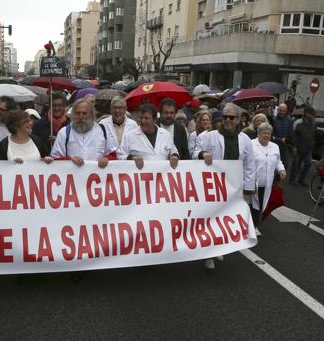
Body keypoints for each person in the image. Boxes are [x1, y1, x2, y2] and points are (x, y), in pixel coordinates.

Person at [194, 103, 256, 270]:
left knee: (225, 220)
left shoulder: (245, 140)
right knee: (211, 219)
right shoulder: (209, 136)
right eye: (225, 117)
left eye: (232, 117)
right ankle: (208, 255)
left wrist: (248, 189)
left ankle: (218, 248)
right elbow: (194, 152)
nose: (227, 120)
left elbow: (250, 165)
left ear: (238, 120)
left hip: (233, 188)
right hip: (212, 187)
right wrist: (202, 154)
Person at [50, 98, 116, 168]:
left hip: (97, 177)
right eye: (78, 113)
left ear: (91, 114)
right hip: (73, 176)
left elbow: (112, 154)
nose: (81, 117)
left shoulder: (103, 131)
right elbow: (55, 158)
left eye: (84, 113)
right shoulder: (64, 133)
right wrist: (70, 160)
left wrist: (107, 159)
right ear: (73, 114)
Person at [118, 104, 179, 169]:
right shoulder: (129, 136)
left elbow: (174, 151)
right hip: (139, 176)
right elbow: (120, 155)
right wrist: (131, 157)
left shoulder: (166, 135)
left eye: (146, 118)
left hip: (162, 177)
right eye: (141, 118)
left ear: (154, 120)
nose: (143, 121)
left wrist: (174, 156)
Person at [251, 123, 286, 235]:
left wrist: (281, 170)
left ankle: (255, 226)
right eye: (264, 133)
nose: (266, 135)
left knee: (261, 205)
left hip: (267, 182)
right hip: (252, 181)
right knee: (250, 205)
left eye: (269, 133)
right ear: (258, 134)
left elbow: (278, 161)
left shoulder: (275, 147)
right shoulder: (251, 144)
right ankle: (247, 226)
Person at [290, 106, 316, 186]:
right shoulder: (298, 123)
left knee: (308, 163)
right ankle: (292, 179)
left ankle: (301, 179)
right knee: (296, 164)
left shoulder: (312, 124)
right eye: (312, 114)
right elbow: (294, 136)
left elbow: (313, 134)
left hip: (308, 149)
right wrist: (294, 146)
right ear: (307, 114)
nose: (313, 116)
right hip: (298, 148)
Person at [273, 103, 294, 172]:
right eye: (280, 110)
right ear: (278, 110)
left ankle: (280, 181)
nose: (281, 112)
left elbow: (291, 135)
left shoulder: (289, 121)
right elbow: (270, 135)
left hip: (285, 147)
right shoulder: (273, 120)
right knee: (274, 165)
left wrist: (287, 140)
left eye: (283, 111)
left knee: (285, 165)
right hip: (274, 146)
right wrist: (279, 139)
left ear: (286, 111)